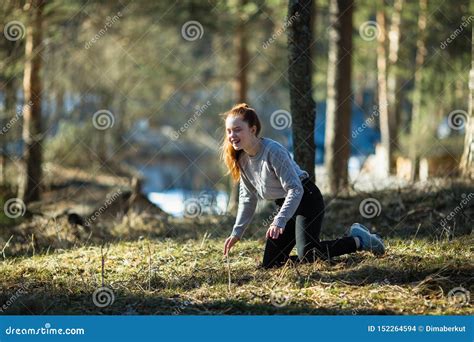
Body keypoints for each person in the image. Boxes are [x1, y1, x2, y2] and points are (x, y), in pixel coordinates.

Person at [221, 103, 385, 268]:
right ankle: (321, 254)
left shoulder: (273, 151)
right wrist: (237, 233)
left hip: (307, 199)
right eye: (229, 131)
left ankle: (359, 240)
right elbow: (247, 199)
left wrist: (279, 220)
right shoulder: (241, 159)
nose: (232, 135)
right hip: (286, 205)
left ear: (253, 129)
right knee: (271, 264)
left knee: (308, 252)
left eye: (237, 129)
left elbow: (295, 189)